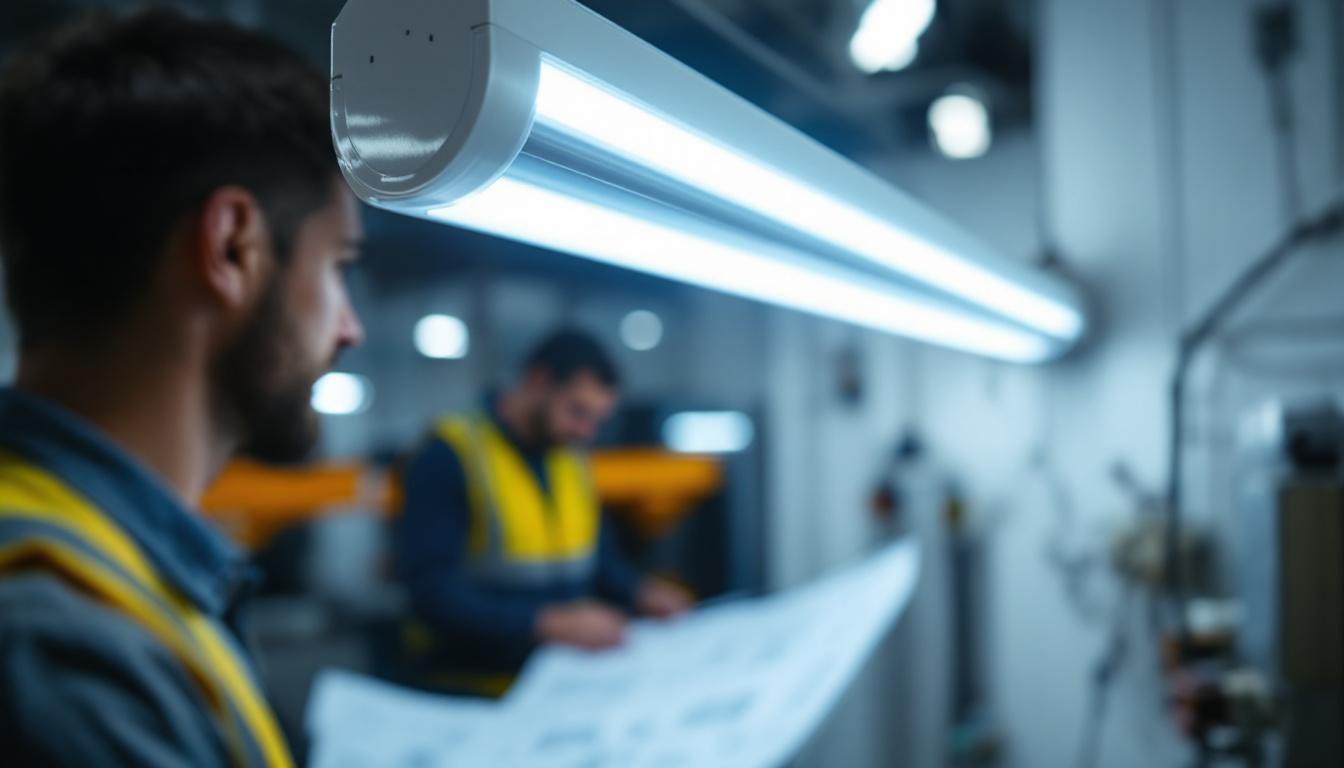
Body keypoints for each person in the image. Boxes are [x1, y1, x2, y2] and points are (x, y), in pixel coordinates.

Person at [0, 10, 364, 767]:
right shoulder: (72, 646)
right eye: (337, 266)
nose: (350, 328)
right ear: (232, 245)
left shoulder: (104, 567)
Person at [396, 329, 693, 696]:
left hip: (557, 684)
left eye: (597, 421)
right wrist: (547, 623)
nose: (586, 431)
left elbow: (597, 558)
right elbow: (432, 591)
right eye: (577, 411)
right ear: (538, 380)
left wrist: (640, 592)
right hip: (469, 688)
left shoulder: (569, 459)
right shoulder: (449, 456)